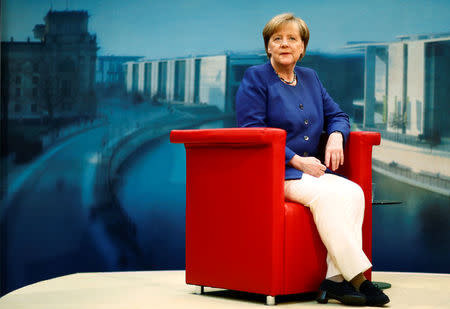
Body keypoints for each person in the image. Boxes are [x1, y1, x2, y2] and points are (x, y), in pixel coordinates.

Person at [235, 13, 389, 307]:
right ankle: (358, 280)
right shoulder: (256, 77)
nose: (284, 44)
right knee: (329, 196)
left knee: (354, 192)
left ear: (302, 48)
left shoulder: (310, 77)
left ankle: (333, 282)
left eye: (292, 38)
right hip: (275, 172)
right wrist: (295, 161)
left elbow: (339, 116)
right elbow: (253, 131)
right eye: (277, 38)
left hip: (311, 170)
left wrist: (335, 136)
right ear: (268, 46)